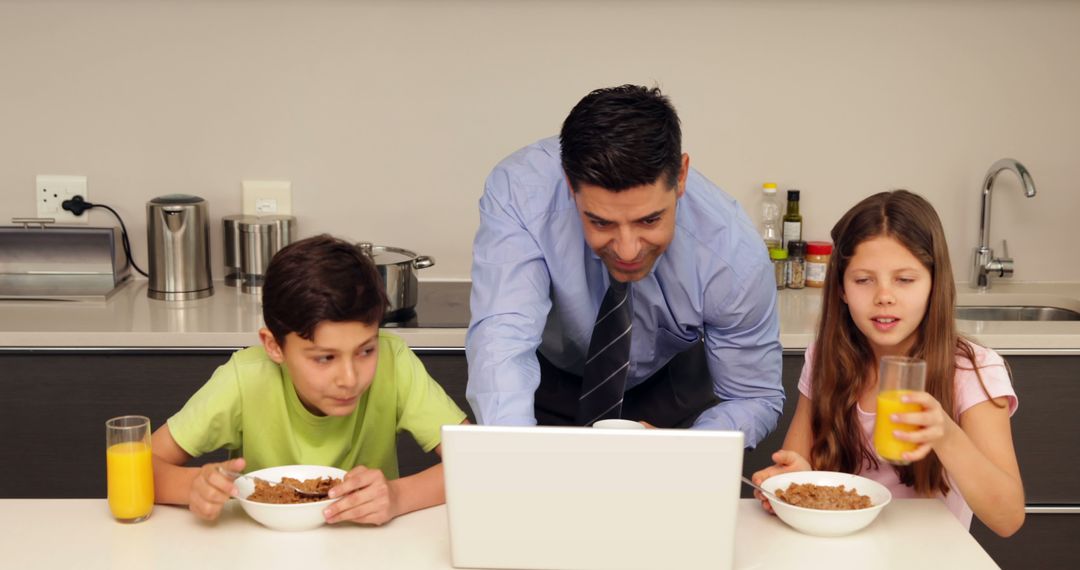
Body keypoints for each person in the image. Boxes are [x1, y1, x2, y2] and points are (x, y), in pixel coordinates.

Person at [466, 84, 783, 445]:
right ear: (570, 184)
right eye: (601, 223)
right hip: (548, 383)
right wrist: (513, 454)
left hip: (669, 394)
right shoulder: (520, 193)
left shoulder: (733, 255)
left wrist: (690, 450)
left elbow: (753, 396)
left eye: (649, 221)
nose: (628, 250)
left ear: (680, 177)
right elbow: (502, 343)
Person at [751, 190, 1025, 537]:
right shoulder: (826, 356)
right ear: (841, 289)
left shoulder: (973, 371)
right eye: (864, 280)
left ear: (934, 284)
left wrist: (945, 433)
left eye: (905, 279)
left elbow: (1008, 518)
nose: (884, 296)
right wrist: (795, 478)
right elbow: (796, 460)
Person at [151, 235, 468, 524]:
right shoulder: (244, 378)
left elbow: (479, 461)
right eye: (325, 358)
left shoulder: (395, 362)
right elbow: (137, 465)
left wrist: (398, 496)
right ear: (274, 346)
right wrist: (193, 486)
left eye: (366, 350)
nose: (349, 378)